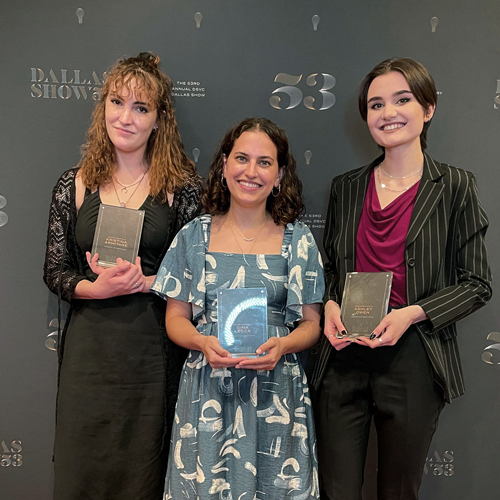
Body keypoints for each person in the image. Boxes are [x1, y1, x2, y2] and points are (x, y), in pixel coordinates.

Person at [310, 57, 492, 500]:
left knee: (398, 491)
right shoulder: (346, 186)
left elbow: (477, 283)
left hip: (414, 358)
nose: (387, 112)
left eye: (402, 99)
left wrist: (412, 314)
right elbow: (331, 267)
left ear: (428, 108)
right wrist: (331, 304)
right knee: (336, 490)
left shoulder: (455, 186)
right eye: (375, 104)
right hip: (342, 357)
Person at [43, 52, 202, 500]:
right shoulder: (71, 184)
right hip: (88, 355)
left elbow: (199, 274)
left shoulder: (184, 189)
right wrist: (92, 288)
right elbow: (54, 268)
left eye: (141, 108)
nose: (125, 118)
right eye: (117, 102)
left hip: (151, 353)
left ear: (159, 119)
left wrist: (147, 282)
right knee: (81, 473)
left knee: (142, 475)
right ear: (103, 109)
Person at [151, 117, 325, 499]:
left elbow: (312, 325)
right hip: (208, 390)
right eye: (242, 158)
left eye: (265, 162)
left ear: (280, 175)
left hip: (277, 392)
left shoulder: (299, 240)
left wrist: (284, 345)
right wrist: (201, 342)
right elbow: (176, 319)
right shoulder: (193, 236)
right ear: (224, 165)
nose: (251, 171)